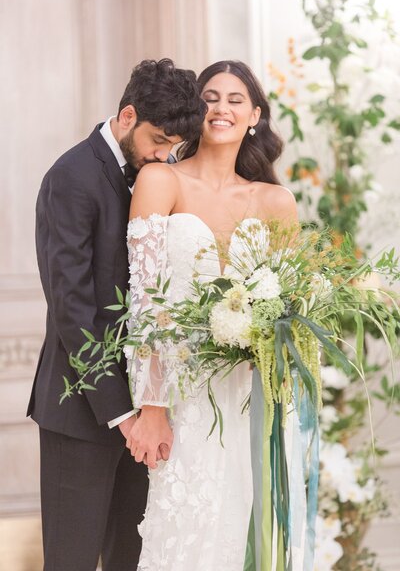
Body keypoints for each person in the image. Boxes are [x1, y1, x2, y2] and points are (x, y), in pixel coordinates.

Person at [27, 58, 207, 571]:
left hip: (149, 410)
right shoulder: (70, 177)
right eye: (158, 140)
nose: (164, 155)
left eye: (174, 147)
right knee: (73, 561)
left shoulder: (160, 174)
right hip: (81, 412)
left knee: (131, 558)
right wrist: (124, 414)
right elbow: (73, 307)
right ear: (127, 115)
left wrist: (151, 404)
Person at [125, 61, 299, 570]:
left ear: (255, 116)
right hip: (185, 396)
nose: (220, 108)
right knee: (186, 533)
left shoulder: (276, 201)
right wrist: (151, 404)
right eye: (210, 97)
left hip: (255, 397)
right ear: (194, 110)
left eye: (235, 99)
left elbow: (288, 307)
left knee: (252, 533)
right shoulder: (160, 180)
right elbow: (145, 301)